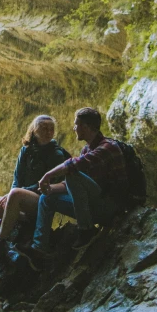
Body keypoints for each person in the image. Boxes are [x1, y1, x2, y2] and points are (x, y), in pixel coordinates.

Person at [18, 107, 128, 271]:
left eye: (76, 124)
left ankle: (86, 230)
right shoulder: (87, 149)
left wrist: (47, 176)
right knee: (47, 199)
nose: (74, 128)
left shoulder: (107, 148)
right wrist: (50, 190)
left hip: (109, 207)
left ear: (85, 127)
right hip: (93, 205)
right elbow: (75, 185)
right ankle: (39, 248)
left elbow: (73, 168)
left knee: (71, 172)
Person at [0, 114, 67, 272]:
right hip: (21, 198)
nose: (49, 132)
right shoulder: (26, 150)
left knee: (15, 194)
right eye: (44, 128)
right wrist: (10, 196)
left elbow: (46, 185)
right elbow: (17, 177)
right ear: (34, 130)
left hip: (42, 200)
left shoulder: (56, 154)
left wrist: (15, 193)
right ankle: (24, 223)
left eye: (51, 129)